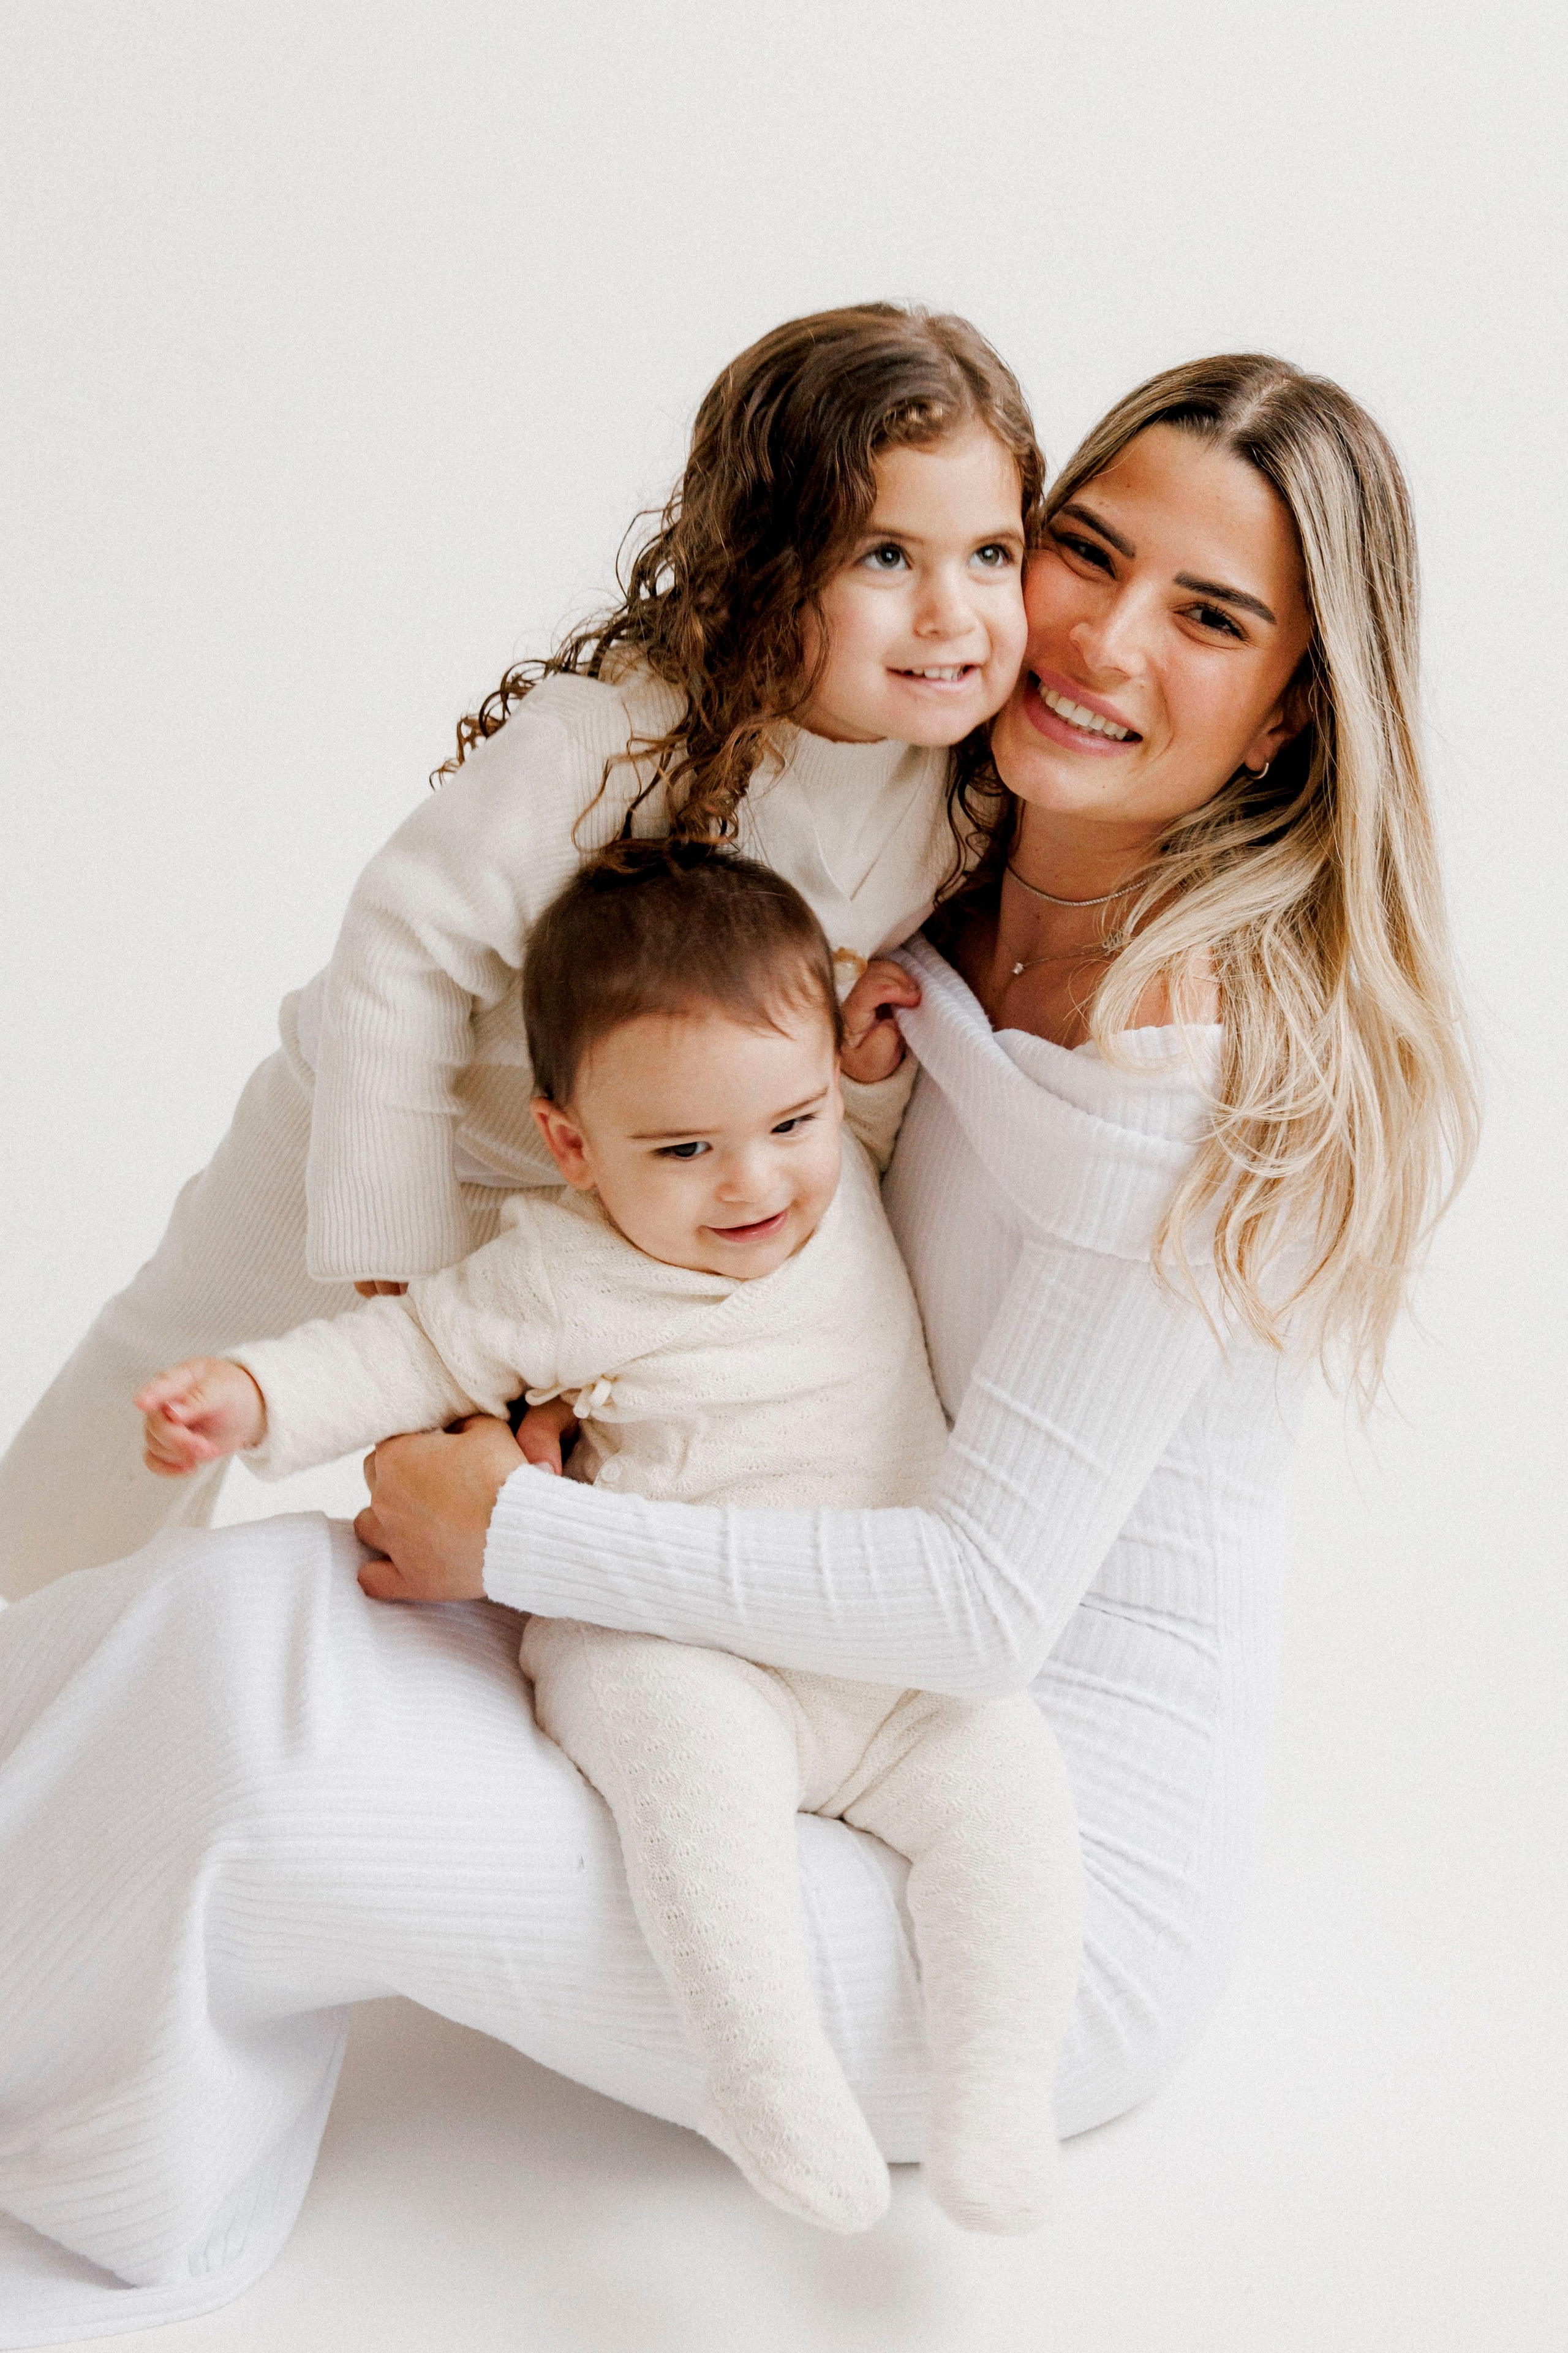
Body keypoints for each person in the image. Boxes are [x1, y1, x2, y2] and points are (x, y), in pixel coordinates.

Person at [0, 354, 1477, 2343]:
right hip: (774, 1678)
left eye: (1210, 618)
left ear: (1297, 700)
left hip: (1004, 1890)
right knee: (225, 1628)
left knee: (253, 1676)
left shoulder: (1190, 1053)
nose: (1100, 638)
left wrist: (505, 1534)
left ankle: (79, 2137)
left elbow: (975, 1612)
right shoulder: (935, 877)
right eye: (1088, 554)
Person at [0, 301, 1039, 1601]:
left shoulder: (956, 792)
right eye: (887, 556)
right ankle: (22, 1615)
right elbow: (403, 948)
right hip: (394, 1122)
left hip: (613, 1197)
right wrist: (394, 1233)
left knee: (538, 1480)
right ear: (771, 563)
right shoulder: (622, 732)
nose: (952, 613)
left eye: (990, 554)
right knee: (169, 1371)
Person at [133, 845, 1082, 2238]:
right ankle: (761, 2071)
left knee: (1007, 1783)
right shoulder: (558, 1269)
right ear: (572, 1145)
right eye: (683, 1150)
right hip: (687, 1650)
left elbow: (862, 1123)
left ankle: (995, 2095)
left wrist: (869, 1075)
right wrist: (258, 1394)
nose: (752, 1183)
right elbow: (406, 1347)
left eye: (788, 1120)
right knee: (687, 1779)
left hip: (879, 1661)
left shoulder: (841, 1168)